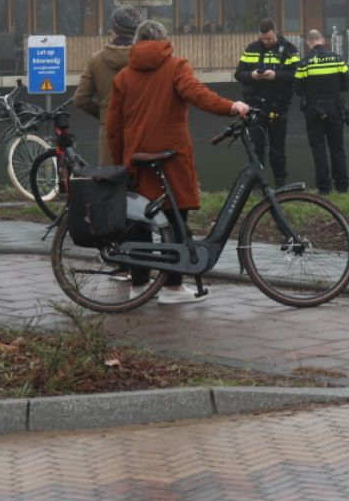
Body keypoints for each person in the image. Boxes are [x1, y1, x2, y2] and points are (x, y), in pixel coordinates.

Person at [105, 19, 251, 303]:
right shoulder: (176, 66)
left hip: (136, 157)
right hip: (170, 157)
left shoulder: (124, 76)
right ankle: (172, 287)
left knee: (138, 223)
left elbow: (113, 126)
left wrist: (121, 160)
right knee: (175, 220)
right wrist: (231, 107)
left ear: (137, 41)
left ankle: (138, 286)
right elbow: (197, 94)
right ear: (164, 40)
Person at [234, 18, 299, 184]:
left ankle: (280, 185)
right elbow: (239, 74)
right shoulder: (252, 49)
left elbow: (297, 75)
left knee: (278, 149)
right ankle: (257, 186)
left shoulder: (289, 50)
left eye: (269, 38)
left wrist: (275, 75)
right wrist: (252, 75)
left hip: (279, 106)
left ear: (275, 32)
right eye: (263, 39)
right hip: (256, 106)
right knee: (256, 149)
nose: (266, 42)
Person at [74, 5, 143, 160]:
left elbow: (80, 99)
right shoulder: (149, 58)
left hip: (110, 132)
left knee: (112, 179)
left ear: (113, 28)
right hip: (143, 131)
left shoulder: (96, 59)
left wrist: (107, 114)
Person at [296, 29, 349, 195]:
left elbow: (298, 90)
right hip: (335, 108)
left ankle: (324, 188)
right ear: (323, 40)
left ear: (308, 43)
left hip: (313, 110)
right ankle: (342, 187)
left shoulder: (304, 62)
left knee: (319, 149)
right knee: (337, 148)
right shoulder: (337, 59)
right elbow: (346, 85)